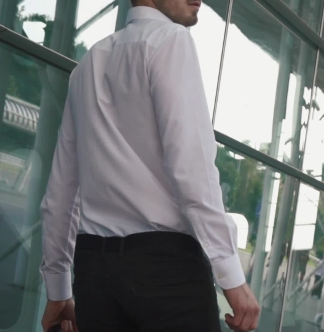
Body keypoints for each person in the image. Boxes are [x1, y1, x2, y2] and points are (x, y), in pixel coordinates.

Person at [38, 1, 260, 331]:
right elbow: (192, 170)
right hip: (165, 270)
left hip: (94, 272)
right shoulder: (171, 40)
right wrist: (231, 276)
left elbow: (61, 192)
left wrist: (58, 288)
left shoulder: (87, 65)